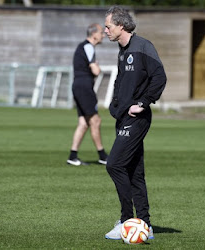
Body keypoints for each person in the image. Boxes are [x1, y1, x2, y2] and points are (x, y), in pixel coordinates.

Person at [103, 6, 167, 240]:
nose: (105, 30)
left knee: (114, 165)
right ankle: (145, 224)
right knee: (134, 172)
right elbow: (122, 80)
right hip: (123, 118)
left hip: (137, 119)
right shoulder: (122, 51)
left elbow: (159, 76)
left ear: (121, 26)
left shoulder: (143, 47)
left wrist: (144, 102)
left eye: (108, 26)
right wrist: (115, 105)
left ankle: (126, 220)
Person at [67, 23, 108, 166]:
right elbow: (96, 71)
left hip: (78, 86)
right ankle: (103, 156)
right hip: (84, 87)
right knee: (95, 121)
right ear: (94, 34)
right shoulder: (88, 47)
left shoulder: (82, 47)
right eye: (102, 32)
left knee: (84, 123)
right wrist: (97, 66)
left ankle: (72, 156)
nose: (104, 35)